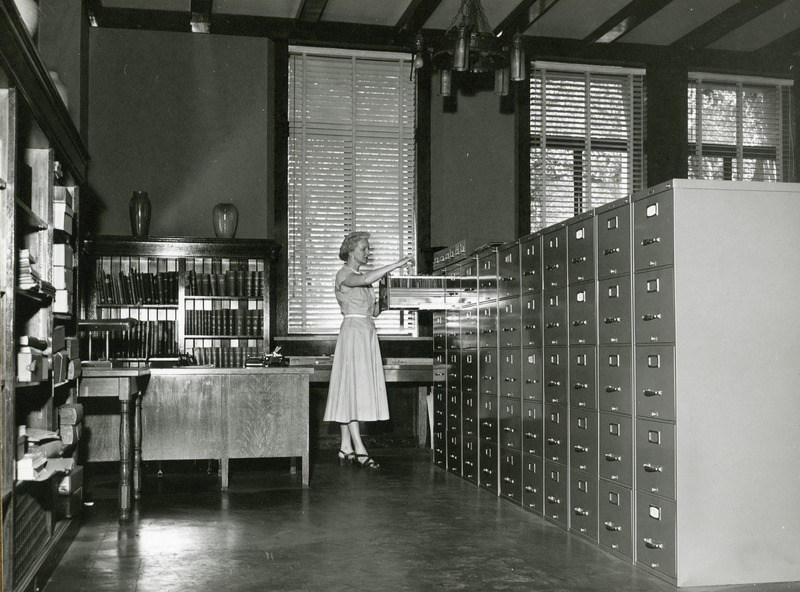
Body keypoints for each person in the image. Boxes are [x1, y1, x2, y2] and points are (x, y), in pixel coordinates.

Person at [322, 231, 414, 469]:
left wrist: (387, 299)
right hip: (353, 332)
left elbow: (372, 311)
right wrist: (397, 264)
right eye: (364, 248)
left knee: (351, 389)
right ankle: (359, 448)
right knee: (352, 388)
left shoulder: (363, 279)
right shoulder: (344, 274)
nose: (367, 252)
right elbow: (362, 282)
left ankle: (345, 446)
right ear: (351, 251)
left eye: (368, 248)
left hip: (367, 332)